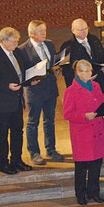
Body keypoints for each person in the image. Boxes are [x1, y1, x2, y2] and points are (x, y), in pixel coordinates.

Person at [0, 27, 33, 175]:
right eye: (14, 41)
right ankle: (2, 163)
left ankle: (16, 160)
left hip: (16, 101)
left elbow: (20, 73)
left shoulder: (16, 52)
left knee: (17, 131)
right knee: (2, 133)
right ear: (3, 40)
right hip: (1, 102)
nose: (16, 44)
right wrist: (7, 86)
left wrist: (30, 81)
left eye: (17, 41)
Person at [63, 60, 104, 205]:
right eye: (85, 71)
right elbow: (67, 114)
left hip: (97, 130)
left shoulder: (95, 86)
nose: (89, 74)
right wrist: (84, 116)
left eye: (90, 71)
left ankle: (94, 192)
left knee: (96, 165)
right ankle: (81, 194)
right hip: (82, 132)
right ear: (78, 73)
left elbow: (101, 104)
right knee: (82, 167)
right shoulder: (71, 91)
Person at [18, 20, 64, 165]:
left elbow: (52, 63)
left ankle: (51, 149)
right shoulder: (22, 49)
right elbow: (20, 72)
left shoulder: (49, 44)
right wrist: (29, 81)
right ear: (32, 33)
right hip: (34, 91)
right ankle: (34, 152)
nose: (44, 33)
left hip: (50, 89)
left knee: (49, 121)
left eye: (45, 30)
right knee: (33, 122)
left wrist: (57, 67)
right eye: (40, 31)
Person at [60, 18, 104, 94]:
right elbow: (66, 71)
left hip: (98, 81)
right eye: (81, 30)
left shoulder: (94, 39)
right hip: (81, 86)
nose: (84, 31)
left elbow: (102, 55)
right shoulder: (68, 47)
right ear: (73, 30)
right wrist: (83, 78)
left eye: (86, 28)